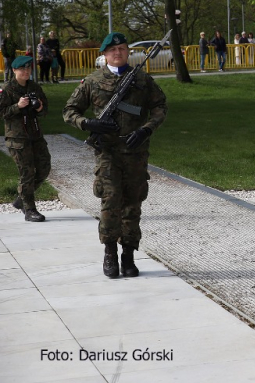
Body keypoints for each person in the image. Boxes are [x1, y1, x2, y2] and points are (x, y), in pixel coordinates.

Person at [63, 32, 168, 279]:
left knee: (133, 203)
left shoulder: (142, 79)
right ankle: (110, 253)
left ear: (127, 52)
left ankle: (128, 254)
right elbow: (69, 111)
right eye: (113, 50)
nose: (118, 53)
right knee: (110, 202)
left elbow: (160, 106)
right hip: (107, 152)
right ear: (104, 54)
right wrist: (88, 124)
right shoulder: (92, 81)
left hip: (135, 151)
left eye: (122, 48)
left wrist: (146, 129)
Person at [0, 56, 51, 222]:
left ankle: (22, 198)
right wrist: (17, 106)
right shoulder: (7, 89)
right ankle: (30, 209)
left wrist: (40, 107)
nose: (26, 71)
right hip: (18, 138)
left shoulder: (34, 87)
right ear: (14, 70)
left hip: (35, 135)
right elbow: (2, 113)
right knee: (27, 173)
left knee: (44, 168)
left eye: (28, 68)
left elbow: (45, 110)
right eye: (22, 68)